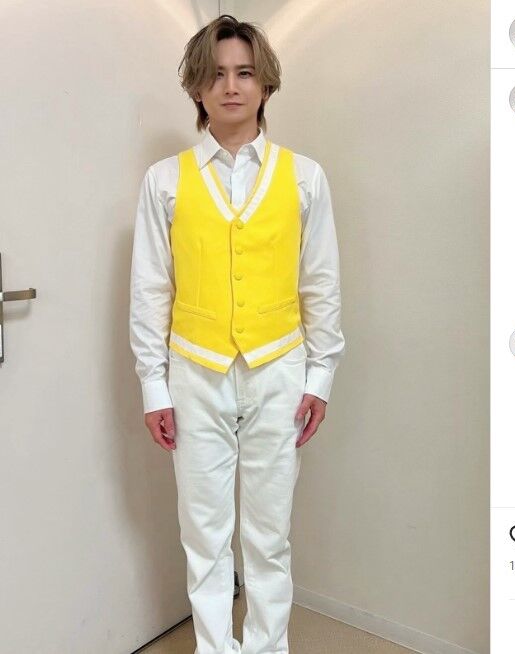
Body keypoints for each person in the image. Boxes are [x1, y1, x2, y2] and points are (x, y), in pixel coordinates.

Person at [129, 14, 344, 654]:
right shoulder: (164, 180)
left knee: (269, 535)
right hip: (195, 372)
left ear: (264, 84)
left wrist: (321, 375)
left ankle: (268, 647)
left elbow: (320, 282)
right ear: (197, 87)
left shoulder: (304, 177)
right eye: (217, 74)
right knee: (204, 534)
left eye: (244, 72)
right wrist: (153, 386)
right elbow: (151, 289)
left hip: (280, 368)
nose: (231, 86)